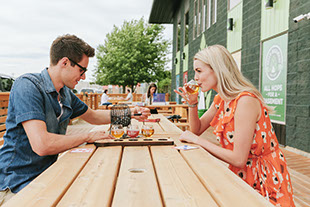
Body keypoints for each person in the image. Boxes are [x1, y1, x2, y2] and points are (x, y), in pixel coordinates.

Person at [0, 34, 150, 205]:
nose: (84, 77)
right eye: (81, 70)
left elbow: (93, 116)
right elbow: (42, 145)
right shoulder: (28, 86)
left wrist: (131, 112)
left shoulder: (65, 94)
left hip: (45, 176)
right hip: (14, 186)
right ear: (64, 62)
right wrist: (87, 137)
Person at [174, 45, 295, 207]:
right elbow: (196, 130)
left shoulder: (245, 100)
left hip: (265, 177)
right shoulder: (221, 99)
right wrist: (193, 104)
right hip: (244, 173)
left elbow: (238, 158)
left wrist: (196, 140)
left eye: (199, 71)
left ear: (217, 69)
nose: (195, 77)